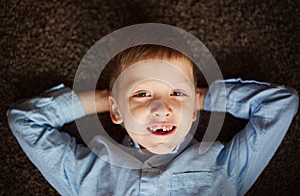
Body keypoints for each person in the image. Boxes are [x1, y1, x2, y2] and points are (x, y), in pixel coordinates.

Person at [7, 44, 298, 195]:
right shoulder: (86, 174)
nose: (161, 107)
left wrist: (201, 97)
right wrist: (104, 99)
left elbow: (281, 105)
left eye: (176, 93)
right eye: (142, 94)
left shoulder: (223, 167)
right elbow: (24, 120)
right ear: (116, 112)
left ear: (195, 111)